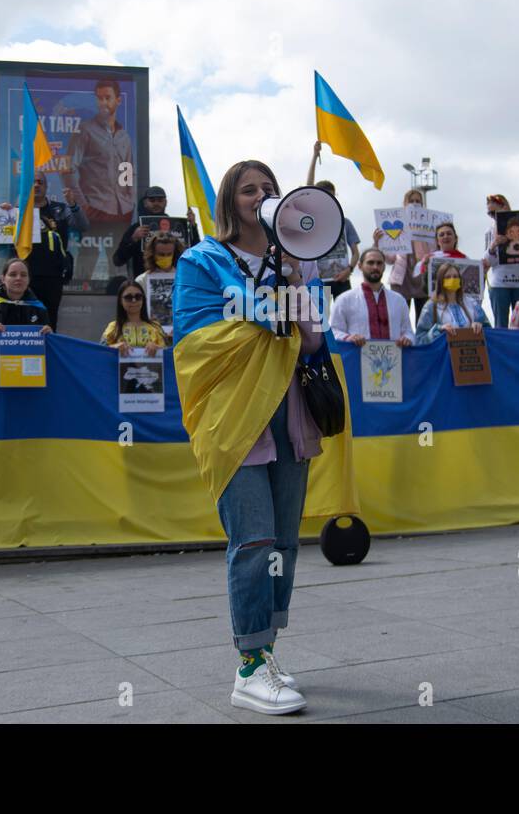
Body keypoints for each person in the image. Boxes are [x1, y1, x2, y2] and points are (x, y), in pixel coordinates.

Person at [172, 159, 334, 716]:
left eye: (270, 188)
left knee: (284, 542)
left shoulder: (299, 263)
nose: (261, 196)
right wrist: (271, 305)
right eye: (250, 189)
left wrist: (290, 279)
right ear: (229, 201)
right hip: (234, 417)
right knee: (253, 541)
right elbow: (198, 342)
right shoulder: (200, 260)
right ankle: (247, 668)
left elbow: (311, 341)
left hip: (288, 414)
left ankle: (266, 651)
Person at [16, 174, 89, 331]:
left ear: (46, 187)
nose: (36, 185)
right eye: (32, 182)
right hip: (22, 276)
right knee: (20, 321)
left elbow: (82, 226)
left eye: (40, 182)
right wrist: (4, 213)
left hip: (52, 277)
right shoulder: (18, 212)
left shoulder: (60, 209)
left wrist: (73, 204)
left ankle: (48, 354)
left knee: (48, 323)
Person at [63, 78, 135, 221]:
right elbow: (68, 170)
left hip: (124, 210)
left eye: (108, 98)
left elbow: (128, 171)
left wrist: (130, 201)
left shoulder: (124, 136)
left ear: (118, 100)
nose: (103, 103)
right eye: (99, 98)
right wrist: (83, 206)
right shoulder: (85, 129)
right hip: (96, 209)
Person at [328, 248, 415, 347]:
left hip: (393, 360)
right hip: (356, 360)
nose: (375, 267)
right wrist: (348, 338)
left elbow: (408, 331)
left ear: (384, 267)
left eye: (379, 263)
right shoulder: (344, 300)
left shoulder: (398, 300)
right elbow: (334, 331)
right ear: (360, 266)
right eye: (370, 263)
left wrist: (407, 339)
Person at [373, 187, 429, 320]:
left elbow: (434, 252)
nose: (415, 204)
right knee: (399, 318)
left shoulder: (428, 227)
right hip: (401, 280)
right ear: (405, 204)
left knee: (423, 319)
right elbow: (389, 259)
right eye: (411, 201)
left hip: (422, 279)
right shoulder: (396, 226)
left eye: (418, 201)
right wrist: (378, 244)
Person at [416, 261, 490, 343]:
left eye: (455, 276)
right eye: (448, 277)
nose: (452, 279)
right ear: (441, 281)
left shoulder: (472, 303)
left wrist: (480, 326)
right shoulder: (431, 306)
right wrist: (438, 330)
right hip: (444, 353)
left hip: (470, 352)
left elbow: (489, 331)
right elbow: (419, 339)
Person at [308, 180, 360, 300]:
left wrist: (349, 270)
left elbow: (356, 253)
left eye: (332, 196)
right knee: (320, 317)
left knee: (345, 317)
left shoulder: (345, 222)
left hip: (342, 279)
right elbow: (308, 187)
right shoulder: (310, 222)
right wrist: (314, 160)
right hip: (318, 280)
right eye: (325, 196)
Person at [0, 257, 53, 332]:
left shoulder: (39, 308)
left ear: (28, 280)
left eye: (23, 275)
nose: (18, 278)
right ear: (3, 279)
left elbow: (48, 344)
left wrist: (49, 335)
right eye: (13, 274)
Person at [101, 279, 168, 354]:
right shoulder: (113, 327)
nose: (134, 300)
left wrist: (158, 349)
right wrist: (113, 347)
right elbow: (100, 351)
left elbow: (169, 354)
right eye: (128, 297)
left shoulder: (156, 327)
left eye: (138, 296)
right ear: (120, 300)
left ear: (143, 299)